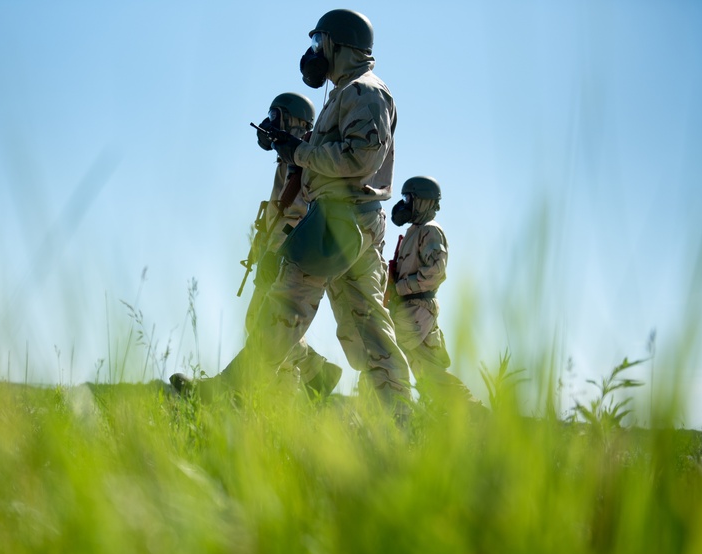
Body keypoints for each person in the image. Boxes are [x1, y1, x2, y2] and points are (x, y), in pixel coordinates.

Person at [176, 9, 411, 410]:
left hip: (343, 219)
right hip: (345, 219)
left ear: (339, 45)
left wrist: (299, 152)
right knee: (366, 325)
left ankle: (225, 394)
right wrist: (295, 151)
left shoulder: (364, 91)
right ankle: (402, 416)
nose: (314, 51)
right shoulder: (346, 93)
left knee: (286, 306)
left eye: (320, 43)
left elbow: (360, 158)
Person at [172, 93, 342, 399]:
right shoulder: (288, 160)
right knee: (263, 320)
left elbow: (303, 211)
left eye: (276, 116)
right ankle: (314, 377)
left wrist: (277, 251)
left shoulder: (305, 158)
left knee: (269, 323)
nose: (270, 122)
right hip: (275, 251)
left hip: (290, 254)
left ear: (294, 121)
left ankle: (228, 393)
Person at [385, 176, 478, 404]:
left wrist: (400, 288)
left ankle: (471, 414)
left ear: (424, 201)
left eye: (409, 198)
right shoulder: (416, 231)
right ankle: (468, 414)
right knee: (427, 372)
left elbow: (436, 271)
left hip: (417, 309)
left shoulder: (430, 231)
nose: (405, 204)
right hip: (412, 308)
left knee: (385, 355)